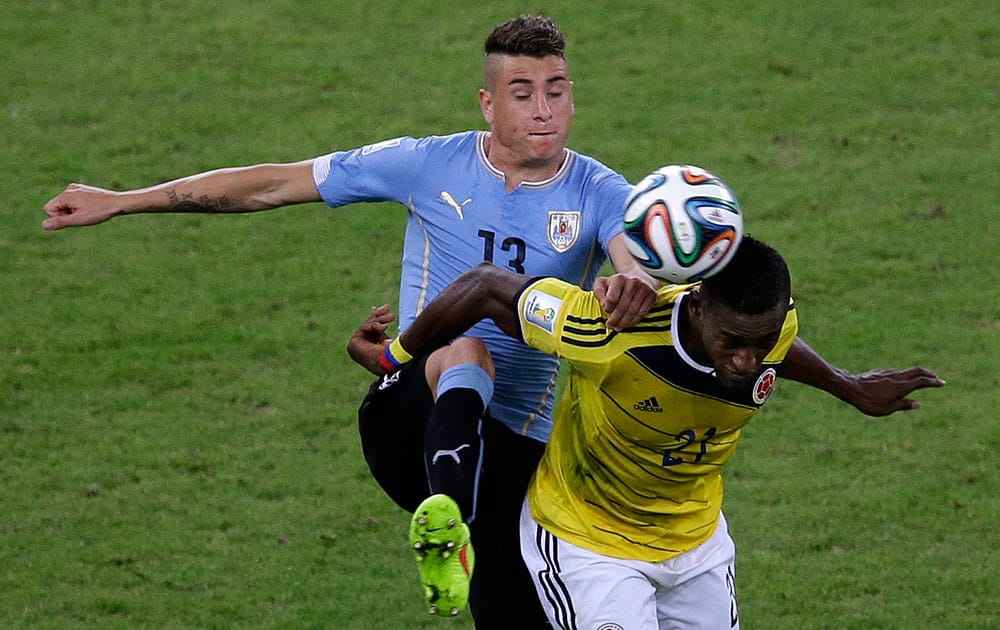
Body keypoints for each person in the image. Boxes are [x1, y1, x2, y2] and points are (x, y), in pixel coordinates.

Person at [43, 14, 943, 628]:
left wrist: (630, 287)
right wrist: (124, 200)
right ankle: (443, 508)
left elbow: (644, 262)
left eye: (557, 89)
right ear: (488, 102)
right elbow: (274, 182)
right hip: (414, 409)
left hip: (520, 451)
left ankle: (456, 538)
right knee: (468, 342)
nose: (543, 108)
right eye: (522, 92)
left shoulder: (604, 194)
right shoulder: (421, 162)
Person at [350, 238, 944, 629]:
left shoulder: (770, 326)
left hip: (696, 542)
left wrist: (851, 387)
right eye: (732, 342)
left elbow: (779, 349)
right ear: (698, 306)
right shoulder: (606, 331)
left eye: (760, 344)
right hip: (588, 543)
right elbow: (483, 285)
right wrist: (395, 357)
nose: (746, 362)